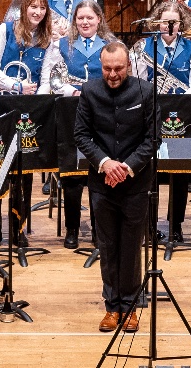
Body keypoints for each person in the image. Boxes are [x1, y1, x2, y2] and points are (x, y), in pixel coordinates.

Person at [74, 41, 158, 334]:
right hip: (102, 181)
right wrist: (106, 164)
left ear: (129, 66)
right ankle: (112, 307)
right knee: (107, 246)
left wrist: (126, 168)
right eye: (107, 68)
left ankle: (131, 306)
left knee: (132, 245)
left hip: (135, 182)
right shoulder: (89, 91)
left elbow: (152, 140)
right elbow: (81, 135)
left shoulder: (145, 91)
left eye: (118, 68)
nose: (112, 74)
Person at [39, 0, 116, 249]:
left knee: (98, 174)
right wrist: (71, 90)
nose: (85, 22)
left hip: (102, 117)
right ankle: (71, 229)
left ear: (98, 20)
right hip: (70, 114)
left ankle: (98, 229)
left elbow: (118, 79)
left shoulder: (110, 46)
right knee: (72, 177)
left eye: (89, 18)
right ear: (75, 21)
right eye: (80, 18)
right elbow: (51, 79)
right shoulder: (61, 46)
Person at [0, 0, 54, 247]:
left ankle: (18, 227)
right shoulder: (5, 30)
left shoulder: (47, 38)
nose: (37, 12)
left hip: (29, 109)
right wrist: (16, 86)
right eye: (32, 7)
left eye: (42, 8)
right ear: (24, 9)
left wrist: (38, 101)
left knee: (25, 171)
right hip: (2, 105)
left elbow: (46, 77)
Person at [133, 0, 191, 244]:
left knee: (179, 172)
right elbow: (139, 84)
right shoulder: (144, 46)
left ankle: (176, 225)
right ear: (157, 23)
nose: (170, 25)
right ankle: (150, 225)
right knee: (150, 171)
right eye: (165, 21)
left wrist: (178, 101)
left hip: (181, 117)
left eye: (175, 21)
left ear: (181, 24)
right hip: (150, 116)